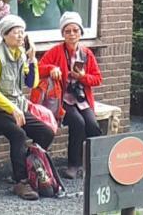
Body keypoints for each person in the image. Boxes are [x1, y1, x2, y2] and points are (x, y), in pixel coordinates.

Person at [0, 13, 56, 200]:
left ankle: (30, 167)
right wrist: (11, 109)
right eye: (16, 32)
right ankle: (21, 181)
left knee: (46, 132)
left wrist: (32, 60)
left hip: (17, 108)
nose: (21, 36)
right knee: (19, 134)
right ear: (5, 35)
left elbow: (32, 83)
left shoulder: (21, 54)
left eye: (23, 32)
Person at [34, 11, 102, 179]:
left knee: (92, 125)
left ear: (81, 33)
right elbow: (38, 69)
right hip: (62, 100)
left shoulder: (87, 54)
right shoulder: (56, 51)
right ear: (62, 34)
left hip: (81, 99)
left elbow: (98, 79)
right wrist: (51, 69)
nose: (72, 34)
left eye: (75, 30)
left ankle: (94, 162)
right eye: (67, 31)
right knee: (78, 123)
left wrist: (83, 77)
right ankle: (73, 164)